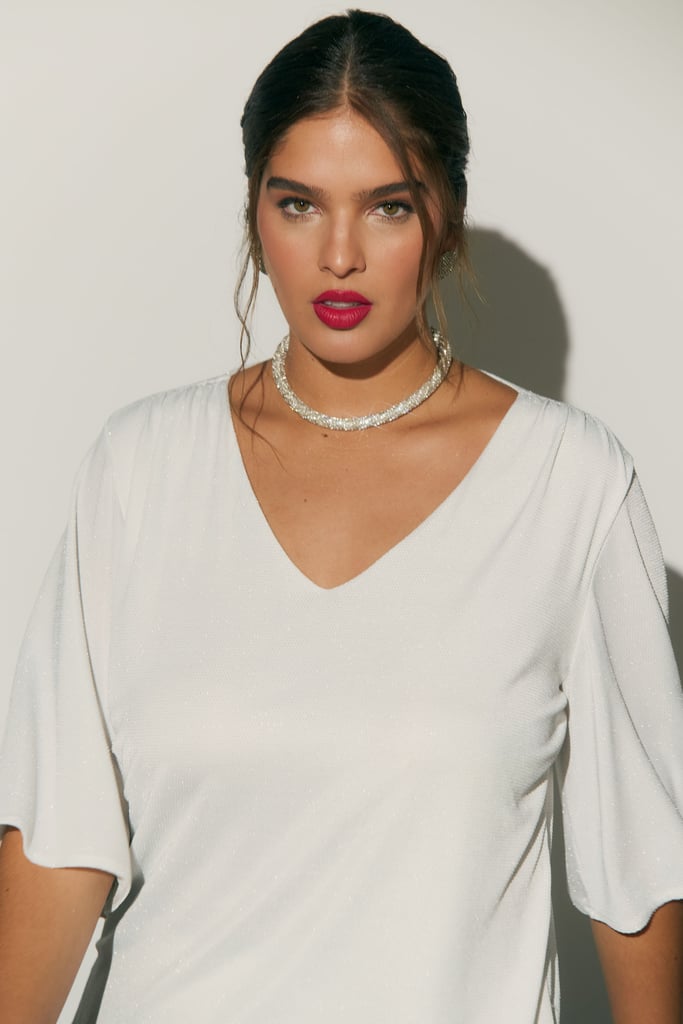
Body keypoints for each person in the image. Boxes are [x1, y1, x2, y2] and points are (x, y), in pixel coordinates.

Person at [0, 9, 682, 1023]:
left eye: (387, 207)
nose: (339, 254)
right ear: (253, 212)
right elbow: (57, 842)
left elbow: (642, 873)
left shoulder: (569, 484)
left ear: (445, 214)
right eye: (298, 204)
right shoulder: (138, 469)